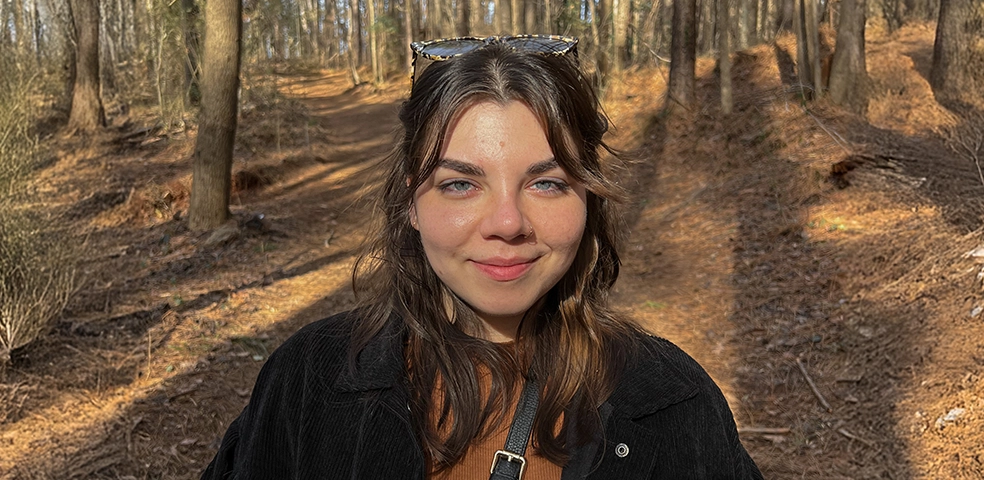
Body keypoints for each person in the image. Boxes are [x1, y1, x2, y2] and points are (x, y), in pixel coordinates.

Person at [202, 36, 762, 479]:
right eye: (460, 185)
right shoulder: (308, 382)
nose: (508, 224)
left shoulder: (672, 405)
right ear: (410, 202)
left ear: (588, 198)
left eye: (546, 183)